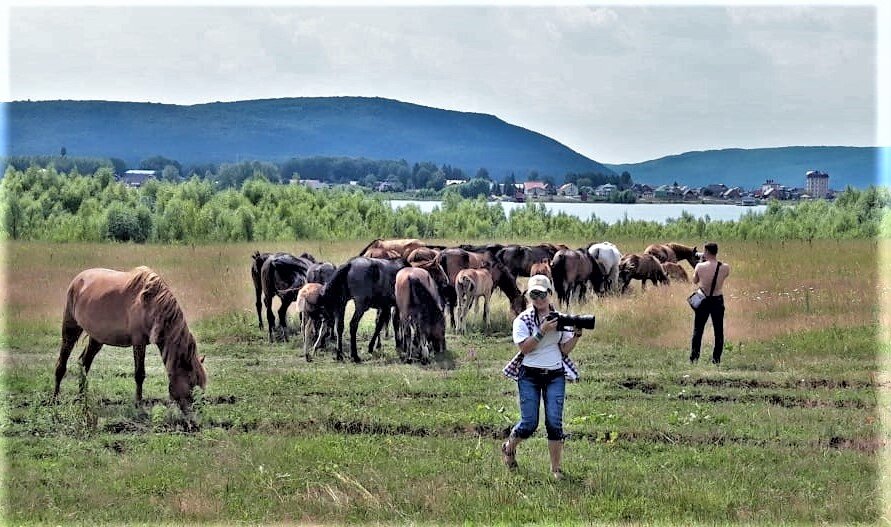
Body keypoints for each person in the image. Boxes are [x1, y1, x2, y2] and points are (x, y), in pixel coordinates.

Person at [501, 274, 584, 480]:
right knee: (529, 424)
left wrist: (576, 335)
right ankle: (509, 446)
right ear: (529, 296)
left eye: (542, 294)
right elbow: (525, 349)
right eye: (534, 294)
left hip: (555, 374)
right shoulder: (523, 320)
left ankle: (555, 470)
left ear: (550, 294)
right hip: (529, 374)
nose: (538, 299)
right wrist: (541, 331)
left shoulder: (561, 318)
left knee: (554, 423)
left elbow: (564, 350)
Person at [690, 242, 731, 365]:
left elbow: (695, 280)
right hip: (717, 300)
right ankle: (716, 359)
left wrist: (700, 263)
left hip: (703, 300)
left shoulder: (700, 267)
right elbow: (723, 277)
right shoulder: (725, 267)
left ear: (706, 252)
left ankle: (694, 358)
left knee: (698, 330)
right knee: (719, 331)